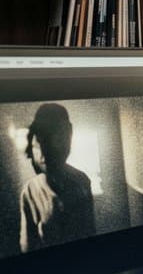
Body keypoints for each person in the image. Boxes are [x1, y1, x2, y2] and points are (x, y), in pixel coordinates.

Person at [18, 102, 95, 252]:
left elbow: (89, 232)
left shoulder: (82, 181)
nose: (45, 153)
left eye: (58, 139)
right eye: (40, 143)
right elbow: (27, 246)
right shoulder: (29, 191)